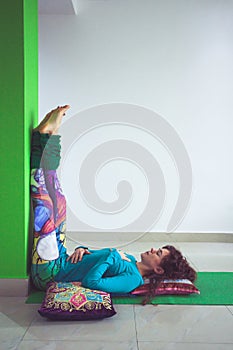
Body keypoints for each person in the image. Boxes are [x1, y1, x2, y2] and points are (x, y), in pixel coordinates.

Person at [30, 106, 197, 297]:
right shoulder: (131, 260)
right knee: (60, 202)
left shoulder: (133, 279)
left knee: (45, 208)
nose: (152, 249)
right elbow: (92, 260)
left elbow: (92, 282)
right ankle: (46, 137)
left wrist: (111, 256)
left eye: (158, 253)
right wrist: (83, 250)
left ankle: (42, 138)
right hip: (62, 258)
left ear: (158, 270)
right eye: (158, 249)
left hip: (51, 273)